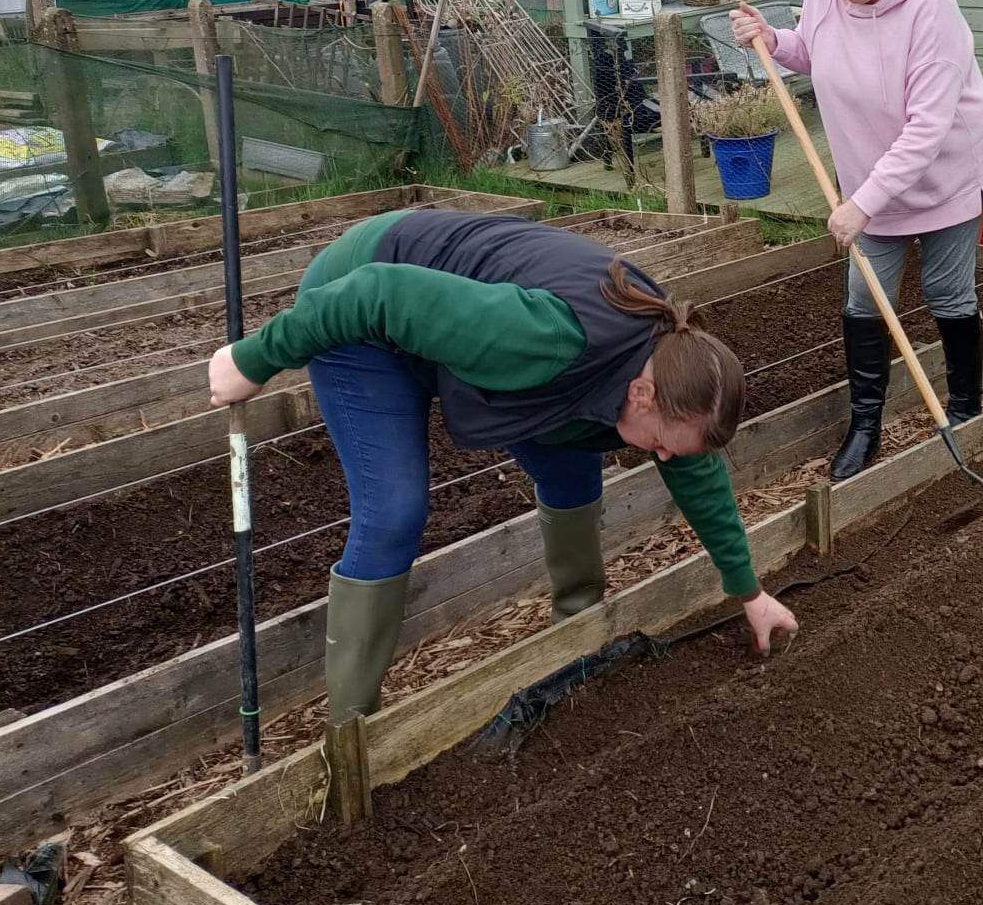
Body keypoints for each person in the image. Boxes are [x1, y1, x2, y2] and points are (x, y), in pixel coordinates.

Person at [205, 208, 798, 720]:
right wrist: (255, 359)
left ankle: (577, 631)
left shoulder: (672, 364)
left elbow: (695, 469)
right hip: (359, 305)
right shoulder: (545, 337)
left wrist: (750, 593)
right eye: (663, 443)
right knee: (394, 512)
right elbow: (377, 293)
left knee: (572, 465)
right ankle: (352, 730)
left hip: (445, 317)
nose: (663, 457)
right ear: (643, 395)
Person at [732, 0, 983, 482]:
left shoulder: (932, 9)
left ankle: (965, 409)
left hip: (943, 173)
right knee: (864, 299)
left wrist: (861, 203)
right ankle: (864, 425)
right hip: (868, 180)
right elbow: (813, 51)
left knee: (947, 292)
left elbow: (927, 129)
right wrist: (774, 41)